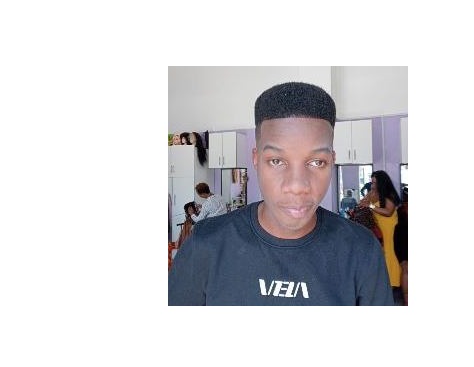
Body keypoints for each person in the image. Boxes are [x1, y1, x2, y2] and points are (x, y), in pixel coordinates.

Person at [169, 81, 394, 305]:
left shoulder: (361, 250)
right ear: (256, 159)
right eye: (276, 161)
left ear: (332, 161)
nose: (297, 186)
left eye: (317, 162)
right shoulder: (205, 244)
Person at [359, 170, 402, 304]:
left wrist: (370, 205)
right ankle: (383, 283)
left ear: (381, 182)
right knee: (381, 255)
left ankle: (393, 283)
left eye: (375, 182)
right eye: (372, 182)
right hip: (378, 229)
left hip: (390, 228)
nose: (372, 185)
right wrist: (366, 200)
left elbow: (388, 212)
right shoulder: (372, 193)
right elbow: (362, 203)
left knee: (390, 254)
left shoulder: (389, 194)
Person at [393, 190, 408, 306]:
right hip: (402, 232)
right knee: (406, 268)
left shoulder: (400, 207)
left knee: (405, 268)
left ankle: (407, 301)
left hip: (399, 232)